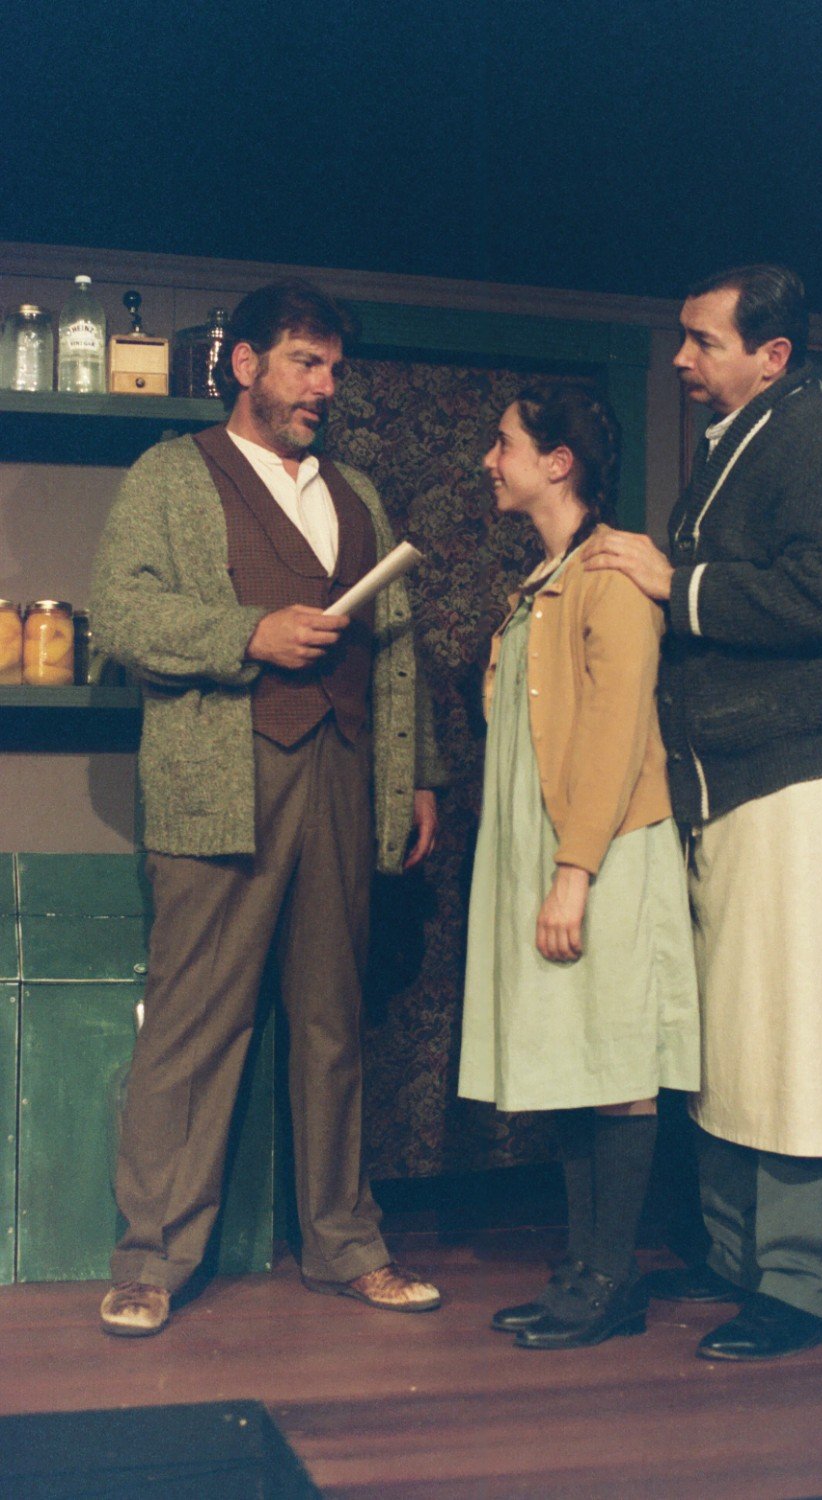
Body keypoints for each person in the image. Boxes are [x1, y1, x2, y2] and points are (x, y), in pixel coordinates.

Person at [91, 279, 447, 1337]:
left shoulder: (359, 497)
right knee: (196, 1028)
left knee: (334, 1024)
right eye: (303, 362)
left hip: (339, 775)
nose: (322, 388)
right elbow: (120, 612)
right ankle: (153, 1258)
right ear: (243, 364)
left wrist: (416, 771)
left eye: (333, 369)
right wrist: (248, 634)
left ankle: (345, 1245)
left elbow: (398, 646)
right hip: (219, 780)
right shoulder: (170, 474)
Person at [583, 264, 822, 1360]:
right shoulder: (734, 450)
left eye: (701, 342)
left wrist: (678, 584)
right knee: (732, 1039)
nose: (680, 359)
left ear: (771, 355)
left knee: (805, 1035)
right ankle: (735, 1258)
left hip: (800, 783)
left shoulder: (818, 441)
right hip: (728, 788)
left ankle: (802, 1287)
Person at [458, 380, 700, 1350]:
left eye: (505, 443)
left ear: (557, 463)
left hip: (599, 852)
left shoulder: (607, 576)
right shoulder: (547, 579)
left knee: (615, 1065)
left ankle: (610, 1280)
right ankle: (582, 1271)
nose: (490, 459)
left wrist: (574, 871)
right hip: (551, 846)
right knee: (572, 1054)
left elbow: (610, 730)